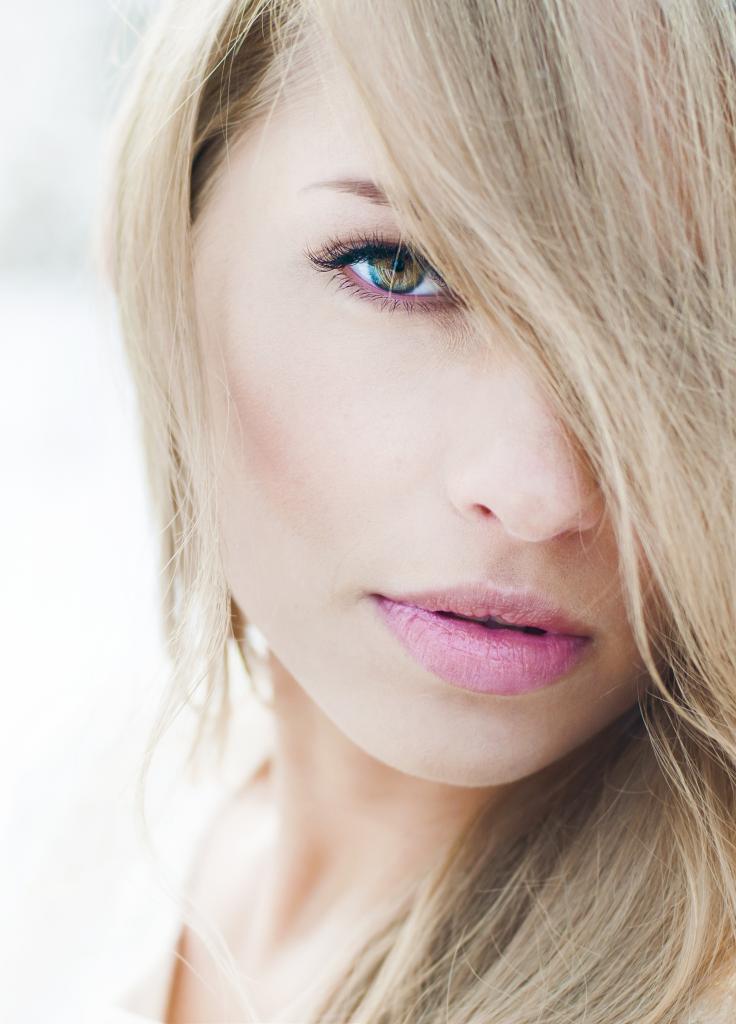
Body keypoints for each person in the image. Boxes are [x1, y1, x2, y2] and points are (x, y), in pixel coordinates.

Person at [95, 0, 736, 1021]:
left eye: (680, 317)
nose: (539, 492)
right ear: (171, 242)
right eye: (400, 269)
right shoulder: (91, 835)